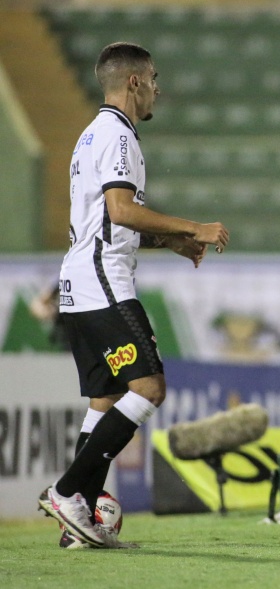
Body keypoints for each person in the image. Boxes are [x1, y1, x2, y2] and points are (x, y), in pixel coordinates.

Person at [38, 42, 229, 549]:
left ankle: (78, 527)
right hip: (105, 283)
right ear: (135, 83)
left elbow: (107, 219)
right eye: (154, 78)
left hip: (79, 285)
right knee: (148, 388)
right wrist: (196, 226)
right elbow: (120, 211)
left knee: (105, 398)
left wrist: (170, 240)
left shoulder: (90, 136)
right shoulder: (119, 137)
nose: (158, 89)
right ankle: (67, 491)